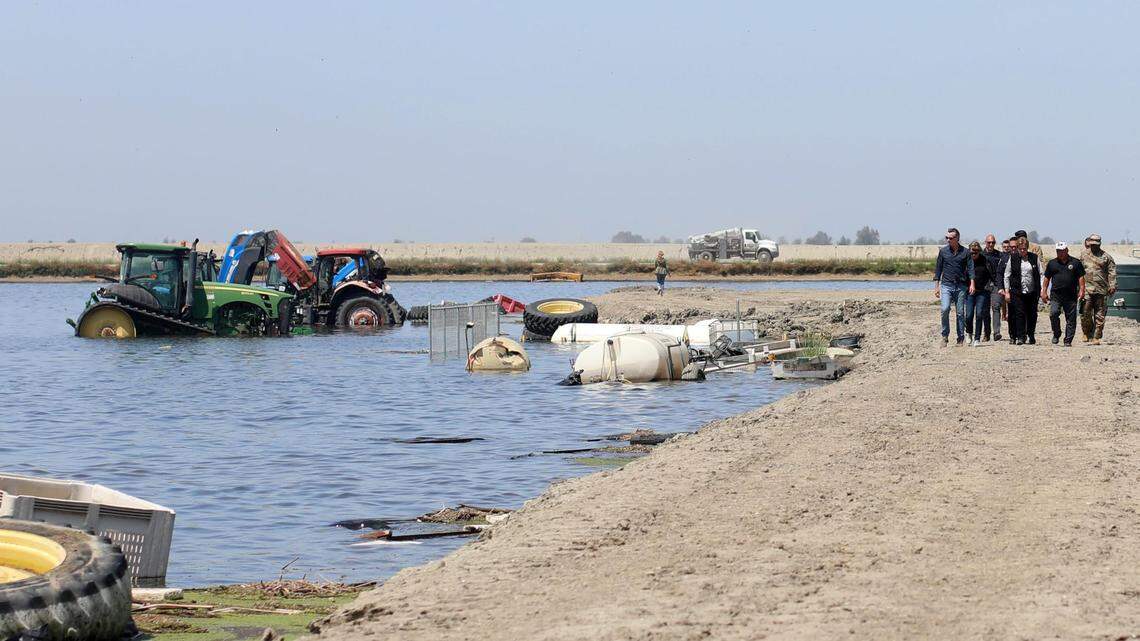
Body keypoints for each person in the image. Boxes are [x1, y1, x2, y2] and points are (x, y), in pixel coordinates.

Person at [934, 228, 974, 346]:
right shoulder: (943, 252)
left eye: (951, 238)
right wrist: (936, 286)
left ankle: (960, 338)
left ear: (957, 238)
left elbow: (970, 269)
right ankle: (945, 336)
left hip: (961, 286)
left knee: (960, 312)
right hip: (946, 285)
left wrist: (972, 283)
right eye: (947, 238)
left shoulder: (966, 252)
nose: (948, 240)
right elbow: (938, 269)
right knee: (945, 309)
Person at [1041, 242, 1085, 346]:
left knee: (1071, 319)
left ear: (1067, 250)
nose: (1060, 253)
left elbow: (1081, 277)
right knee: (1053, 313)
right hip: (1056, 295)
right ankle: (1056, 333)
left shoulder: (1075, 262)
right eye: (1058, 251)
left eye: (1062, 251)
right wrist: (1044, 291)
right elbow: (1047, 278)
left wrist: (1082, 290)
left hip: (1071, 295)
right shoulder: (1052, 263)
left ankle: (1068, 340)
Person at [1079, 234, 1118, 344]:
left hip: (1101, 289)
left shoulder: (1106, 257)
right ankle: (1086, 333)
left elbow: (1112, 272)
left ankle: (1096, 336)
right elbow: (1078, 272)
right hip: (1087, 289)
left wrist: (1112, 285)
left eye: (1096, 244)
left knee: (1100, 315)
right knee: (1085, 312)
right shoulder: (1083, 255)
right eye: (1092, 244)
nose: (1094, 246)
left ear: (1099, 244)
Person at [1003, 237, 1042, 345]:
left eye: (1024, 249)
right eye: (1020, 249)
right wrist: (1007, 291)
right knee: (1019, 313)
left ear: (1027, 248)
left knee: (1032, 314)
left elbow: (1041, 274)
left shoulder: (1034, 257)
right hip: (1017, 291)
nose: (1022, 251)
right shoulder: (1013, 258)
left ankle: (1031, 334)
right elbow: (1007, 275)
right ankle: (1020, 336)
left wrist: (1042, 289)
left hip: (1032, 291)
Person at [966, 241, 995, 347]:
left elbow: (992, 274)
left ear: (979, 251)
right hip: (969, 292)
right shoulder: (966, 261)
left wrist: (992, 286)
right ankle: (969, 332)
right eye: (972, 252)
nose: (974, 254)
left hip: (982, 291)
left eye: (976, 252)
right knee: (969, 315)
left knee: (979, 314)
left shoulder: (985, 260)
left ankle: (977, 338)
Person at [982, 234, 1004, 341]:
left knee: (996, 306)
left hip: (996, 285)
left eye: (993, 242)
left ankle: (996, 332)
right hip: (984, 285)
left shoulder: (1000, 255)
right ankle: (986, 333)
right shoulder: (980, 255)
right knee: (985, 310)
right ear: (985, 242)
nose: (991, 244)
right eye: (989, 242)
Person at [997, 236, 1018, 341]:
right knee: (1012, 312)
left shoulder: (1025, 257)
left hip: (1022, 290)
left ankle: (1021, 334)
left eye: (1015, 246)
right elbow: (1000, 273)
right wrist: (1001, 288)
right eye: (1011, 247)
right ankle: (1012, 335)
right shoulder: (1005, 258)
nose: (1013, 249)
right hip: (1009, 289)